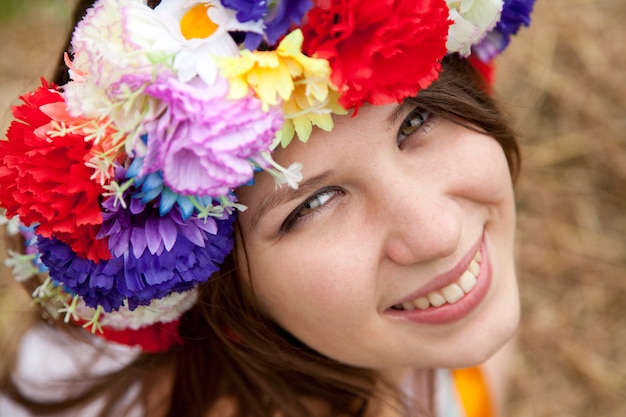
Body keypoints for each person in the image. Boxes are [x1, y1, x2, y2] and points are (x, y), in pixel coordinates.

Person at [0, 0, 536, 416]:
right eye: (314, 204)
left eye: (416, 122)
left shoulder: (433, 319)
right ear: (216, 286)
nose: (439, 233)